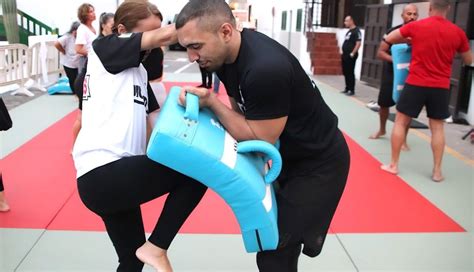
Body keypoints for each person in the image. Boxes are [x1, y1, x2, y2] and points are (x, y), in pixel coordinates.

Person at [175, 0, 350, 271]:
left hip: (318, 163)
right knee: (271, 245)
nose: (192, 57)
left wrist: (211, 101)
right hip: (287, 157)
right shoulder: (224, 58)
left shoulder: (265, 68)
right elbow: (240, 114)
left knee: (275, 251)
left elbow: (259, 138)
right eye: (186, 48)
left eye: (196, 46)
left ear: (225, 32)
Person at [72, 1, 207, 271]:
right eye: (150, 34)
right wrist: (209, 19)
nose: (156, 44)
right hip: (102, 173)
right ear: (122, 31)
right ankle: (157, 247)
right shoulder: (104, 49)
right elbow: (167, 35)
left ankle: (151, 251)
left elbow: (157, 125)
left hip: (118, 175)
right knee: (197, 171)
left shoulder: (140, 71)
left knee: (131, 261)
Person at [381, 0, 472, 182]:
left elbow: (388, 39)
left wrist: (409, 39)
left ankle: (393, 165)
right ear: (448, 8)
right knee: (437, 128)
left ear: (430, 8)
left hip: (416, 82)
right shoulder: (458, 32)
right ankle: (437, 172)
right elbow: (469, 60)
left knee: (400, 122)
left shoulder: (416, 27)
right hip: (440, 86)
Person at [369, 4, 419, 150]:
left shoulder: (421, 32)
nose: (412, 16)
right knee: (384, 104)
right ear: (402, 15)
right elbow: (380, 53)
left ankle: (403, 139)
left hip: (411, 76)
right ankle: (382, 129)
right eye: (409, 13)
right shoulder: (393, 32)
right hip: (391, 73)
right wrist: (397, 62)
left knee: (406, 109)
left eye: (415, 14)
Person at [72, 3, 97, 150]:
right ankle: (74, 145)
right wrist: (95, 53)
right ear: (84, 14)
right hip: (85, 72)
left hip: (92, 71)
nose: (93, 14)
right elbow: (78, 48)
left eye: (93, 11)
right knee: (81, 115)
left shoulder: (92, 29)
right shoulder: (82, 29)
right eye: (90, 12)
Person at [54, 21, 81, 91]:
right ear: (72, 31)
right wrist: (63, 51)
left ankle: (79, 93)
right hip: (68, 62)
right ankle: (75, 94)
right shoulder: (67, 37)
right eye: (75, 31)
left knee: (79, 79)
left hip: (77, 62)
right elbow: (56, 43)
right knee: (72, 79)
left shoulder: (81, 37)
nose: (76, 33)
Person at [340, 15, 362, 96]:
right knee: (345, 71)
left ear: (351, 21)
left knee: (350, 71)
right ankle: (347, 88)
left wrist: (353, 53)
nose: (345, 22)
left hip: (351, 55)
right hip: (345, 54)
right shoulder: (349, 31)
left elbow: (358, 43)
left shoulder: (357, 31)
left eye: (346, 21)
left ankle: (351, 90)